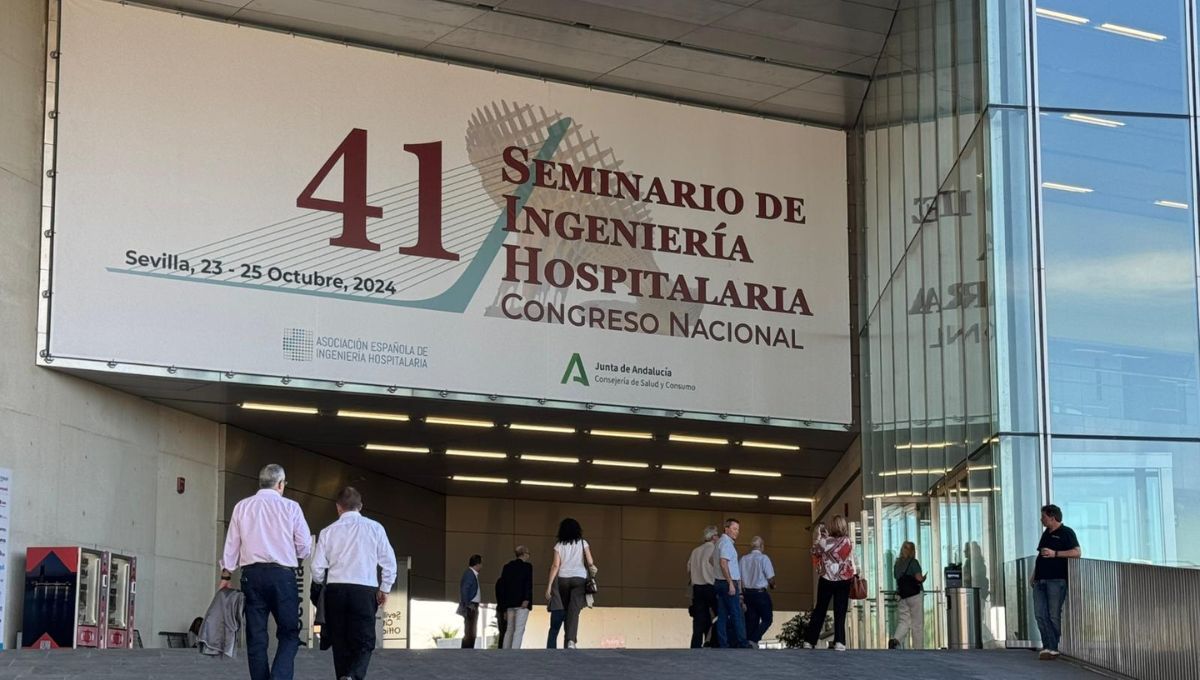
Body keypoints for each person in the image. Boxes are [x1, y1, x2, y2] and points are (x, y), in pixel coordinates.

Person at [220, 464, 313, 680]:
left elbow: (232, 544)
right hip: (283, 575)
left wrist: (226, 575)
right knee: (289, 633)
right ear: (281, 484)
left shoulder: (242, 507)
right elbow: (305, 546)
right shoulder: (291, 507)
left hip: (251, 575)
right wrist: (291, 553)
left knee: (256, 637)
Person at [311, 487, 397, 680]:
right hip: (364, 591)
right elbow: (389, 563)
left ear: (338, 507)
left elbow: (316, 569)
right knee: (365, 641)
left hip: (336, 590)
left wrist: (320, 586)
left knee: (340, 642)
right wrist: (385, 588)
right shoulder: (375, 528)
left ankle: (344, 676)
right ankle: (354, 676)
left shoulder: (327, 532)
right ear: (360, 506)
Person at [1031, 504, 1081, 661]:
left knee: (1053, 614)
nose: (1041, 519)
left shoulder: (1067, 532)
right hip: (1040, 580)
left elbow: (1077, 552)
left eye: (1044, 517)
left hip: (1056, 580)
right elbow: (1040, 555)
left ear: (1052, 517)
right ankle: (1048, 646)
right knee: (1040, 613)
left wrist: (1056, 554)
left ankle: (1053, 647)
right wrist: (1034, 575)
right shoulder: (1046, 533)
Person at [802, 515, 855, 651]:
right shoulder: (848, 541)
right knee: (840, 611)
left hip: (826, 579)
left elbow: (814, 552)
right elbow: (845, 556)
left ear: (831, 527)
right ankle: (840, 642)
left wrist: (819, 538)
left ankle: (809, 641)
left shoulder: (825, 541)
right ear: (843, 526)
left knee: (820, 609)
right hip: (843, 579)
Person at [545, 518, 595, 649]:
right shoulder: (583, 543)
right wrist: (592, 569)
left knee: (567, 610)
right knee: (574, 611)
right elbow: (590, 562)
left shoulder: (559, 545)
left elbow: (555, 565)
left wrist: (549, 586)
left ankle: (567, 641)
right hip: (579, 578)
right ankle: (571, 641)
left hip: (563, 579)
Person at [713, 518, 750, 648]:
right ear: (726, 528)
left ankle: (723, 643)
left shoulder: (718, 543)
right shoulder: (726, 543)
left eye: (738, 529)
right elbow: (723, 562)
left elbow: (712, 561)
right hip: (728, 582)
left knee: (722, 614)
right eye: (734, 529)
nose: (737, 532)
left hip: (719, 582)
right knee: (736, 612)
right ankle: (742, 642)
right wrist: (730, 582)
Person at [686, 525, 719, 648]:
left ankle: (695, 645)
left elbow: (688, 569)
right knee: (719, 615)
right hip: (710, 587)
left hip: (697, 589)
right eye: (717, 535)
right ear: (713, 537)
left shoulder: (695, 551)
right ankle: (712, 641)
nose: (718, 537)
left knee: (699, 619)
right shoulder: (714, 549)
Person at [888, 541, 925, 650]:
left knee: (903, 620)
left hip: (902, 595)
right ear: (913, 551)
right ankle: (918, 648)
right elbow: (918, 578)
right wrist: (923, 578)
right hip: (915, 595)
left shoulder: (897, 564)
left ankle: (896, 640)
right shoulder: (914, 562)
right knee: (917, 623)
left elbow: (897, 577)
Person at [739, 536, 776, 646]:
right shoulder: (764, 558)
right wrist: (773, 585)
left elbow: (738, 579)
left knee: (751, 621)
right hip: (760, 594)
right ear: (762, 546)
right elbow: (770, 578)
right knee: (767, 619)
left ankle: (749, 644)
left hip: (747, 594)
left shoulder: (743, 559)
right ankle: (754, 639)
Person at [497, 546, 534, 649]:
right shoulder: (527, 567)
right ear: (524, 554)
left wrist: (503, 607)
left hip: (509, 603)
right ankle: (515, 651)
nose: (529, 555)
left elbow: (503, 587)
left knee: (509, 629)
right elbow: (528, 583)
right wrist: (526, 599)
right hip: (522, 603)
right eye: (528, 553)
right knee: (519, 629)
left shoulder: (507, 567)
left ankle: (506, 650)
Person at [458, 555, 483, 649]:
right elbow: (464, 589)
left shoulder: (471, 574)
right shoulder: (470, 574)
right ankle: (467, 650)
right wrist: (468, 604)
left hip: (472, 604)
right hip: (471, 605)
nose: (482, 566)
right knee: (470, 631)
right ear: (477, 564)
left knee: (471, 630)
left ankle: (468, 649)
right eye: (481, 563)